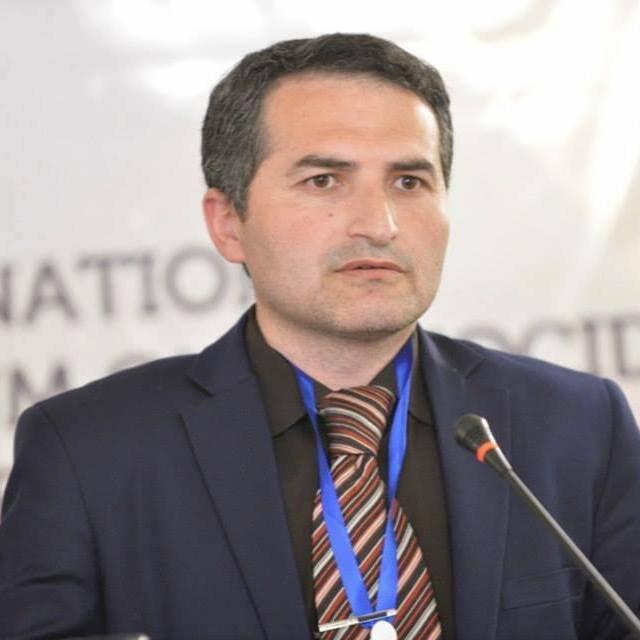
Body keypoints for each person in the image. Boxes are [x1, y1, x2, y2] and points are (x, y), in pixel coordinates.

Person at [1, 33, 639, 640]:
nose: (379, 224)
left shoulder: (578, 427)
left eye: (409, 182)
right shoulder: (87, 452)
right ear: (228, 223)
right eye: (324, 180)